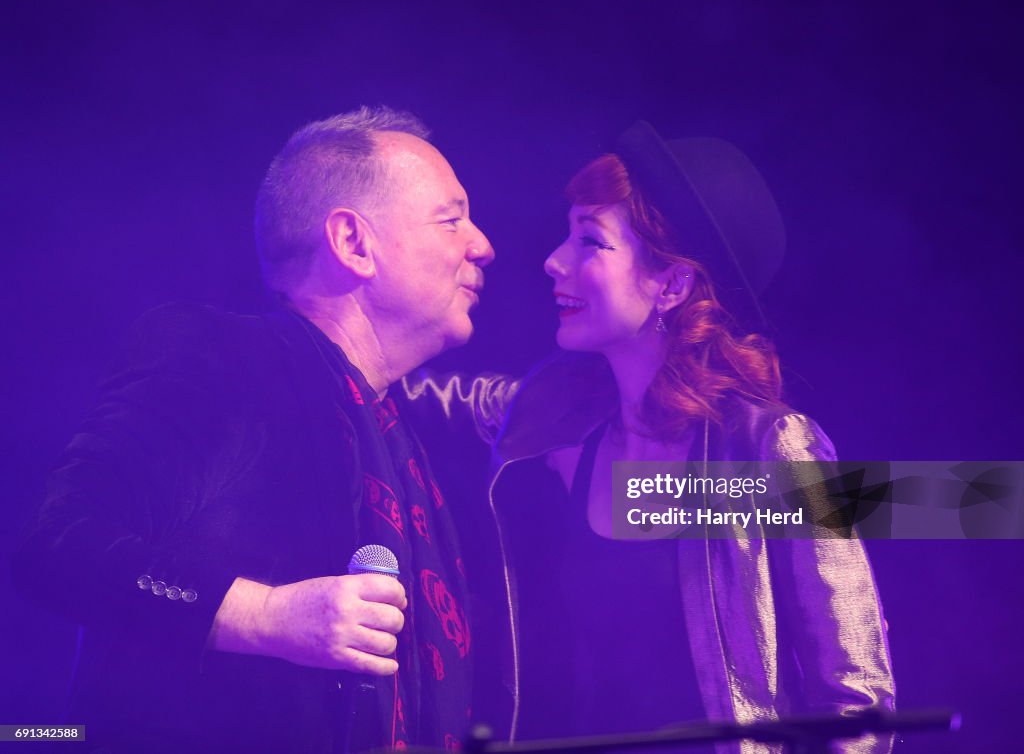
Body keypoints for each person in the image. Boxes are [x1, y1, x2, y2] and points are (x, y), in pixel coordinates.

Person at [11, 106, 516, 753]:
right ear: (354, 243)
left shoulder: (407, 430)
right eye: (452, 218)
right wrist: (265, 616)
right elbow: (60, 547)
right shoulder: (223, 359)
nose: (482, 244)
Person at [486, 122, 896, 753]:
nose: (554, 260)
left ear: (672, 286)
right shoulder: (561, 425)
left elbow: (854, 699)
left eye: (589, 241)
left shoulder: (773, 447)